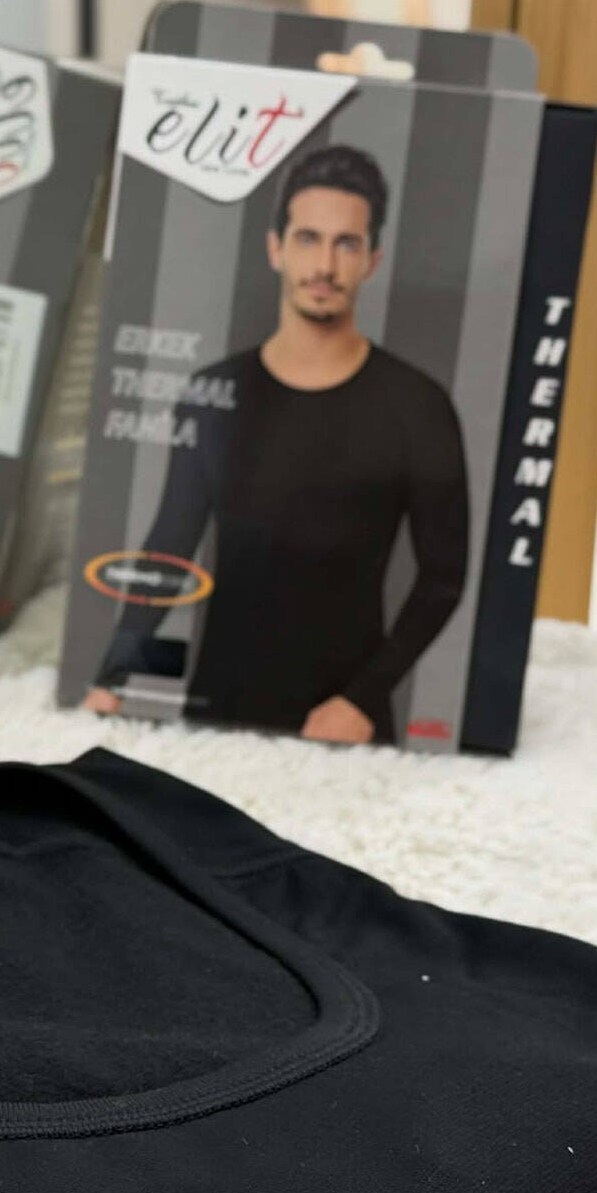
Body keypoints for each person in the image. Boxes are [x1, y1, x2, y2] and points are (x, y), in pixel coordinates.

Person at [82, 144, 470, 744]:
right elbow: (169, 547)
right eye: (308, 239)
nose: (325, 265)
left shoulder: (417, 406)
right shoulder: (213, 392)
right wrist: (112, 675)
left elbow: (444, 576)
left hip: (347, 729)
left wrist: (362, 699)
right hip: (216, 716)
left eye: (346, 244)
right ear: (276, 248)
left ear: (372, 259)